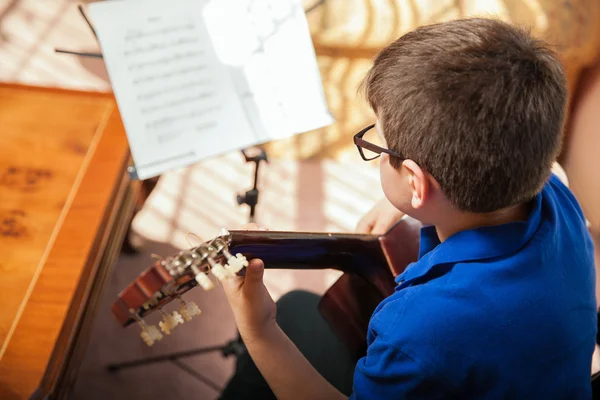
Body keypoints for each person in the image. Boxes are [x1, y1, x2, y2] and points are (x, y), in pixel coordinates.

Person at [220, 18, 597, 399]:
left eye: (378, 147)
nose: (376, 154)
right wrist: (402, 198)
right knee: (306, 310)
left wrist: (260, 329)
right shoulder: (556, 197)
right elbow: (553, 168)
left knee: (291, 314)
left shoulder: (418, 327)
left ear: (417, 183)